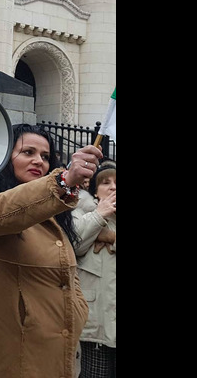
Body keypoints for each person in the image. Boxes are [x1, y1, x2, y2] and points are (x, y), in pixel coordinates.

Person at [0, 123, 102, 377]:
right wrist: (62, 180)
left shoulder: (55, 211)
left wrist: (78, 309)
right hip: (10, 359)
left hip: (58, 354)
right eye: (28, 152)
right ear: (4, 157)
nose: (39, 161)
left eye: (45, 157)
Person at [72, 160, 116, 378]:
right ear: (95, 192)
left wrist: (112, 238)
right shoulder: (81, 213)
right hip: (96, 326)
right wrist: (100, 215)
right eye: (105, 183)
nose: (113, 187)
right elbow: (75, 244)